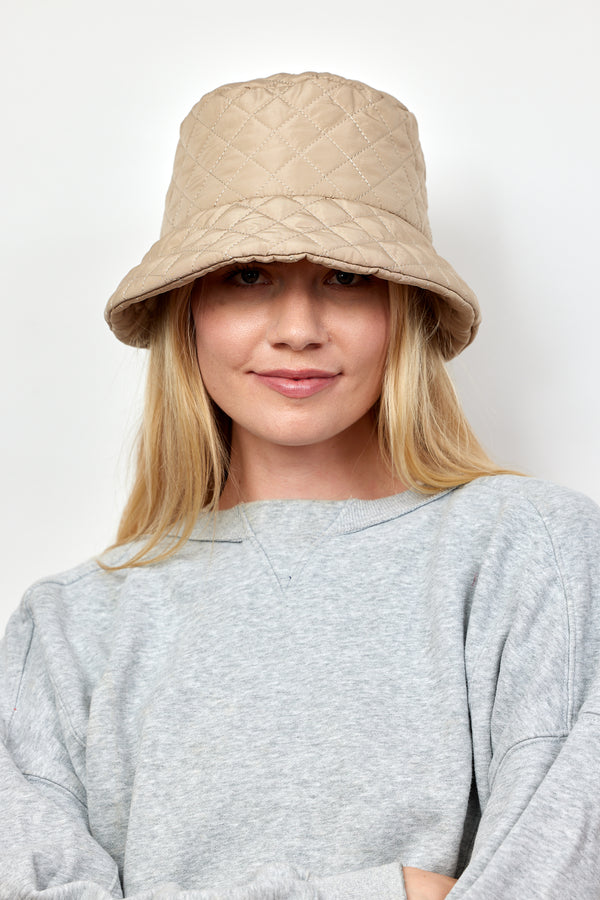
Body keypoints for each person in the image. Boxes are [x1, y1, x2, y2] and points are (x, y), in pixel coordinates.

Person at [1, 72, 599, 900]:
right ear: (189, 314)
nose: (297, 330)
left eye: (348, 279)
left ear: (406, 312)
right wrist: (389, 893)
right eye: (247, 276)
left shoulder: (538, 556)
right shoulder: (69, 627)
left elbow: (563, 876)